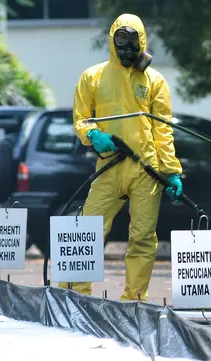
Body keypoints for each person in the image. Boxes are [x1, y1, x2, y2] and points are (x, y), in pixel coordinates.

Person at [64, 13, 183, 302]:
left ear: (142, 41)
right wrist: (93, 135)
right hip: (109, 166)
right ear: (112, 40)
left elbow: (162, 130)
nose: (127, 46)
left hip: (146, 170)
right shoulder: (93, 77)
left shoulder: (154, 80)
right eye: (121, 38)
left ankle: (133, 301)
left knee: (142, 237)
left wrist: (171, 170)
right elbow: (81, 118)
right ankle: (76, 298)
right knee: (87, 231)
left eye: (133, 40)